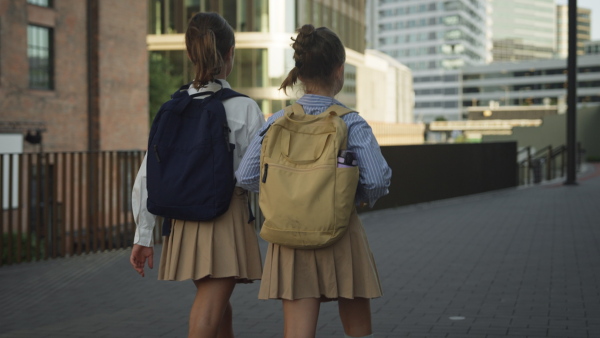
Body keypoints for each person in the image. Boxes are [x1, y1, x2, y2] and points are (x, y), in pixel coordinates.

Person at [236, 24, 392, 338]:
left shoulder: (278, 121)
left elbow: (246, 176)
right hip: (340, 230)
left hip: (289, 234)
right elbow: (377, 180)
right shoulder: (351, 122)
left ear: (300, 72)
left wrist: (287, 192)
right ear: (339, 69)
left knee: (298, 332)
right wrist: (348, 195)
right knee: (357, 330)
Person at [129, 12, 265, 338]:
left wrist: (143, 235)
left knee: (217, 304)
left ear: (190, 54)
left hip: (182, 220)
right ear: (230, 53)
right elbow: (260, 174)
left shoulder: (173, 107)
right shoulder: (245, 108)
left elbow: (148, 176)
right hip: (225, 215)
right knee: (209, 307)